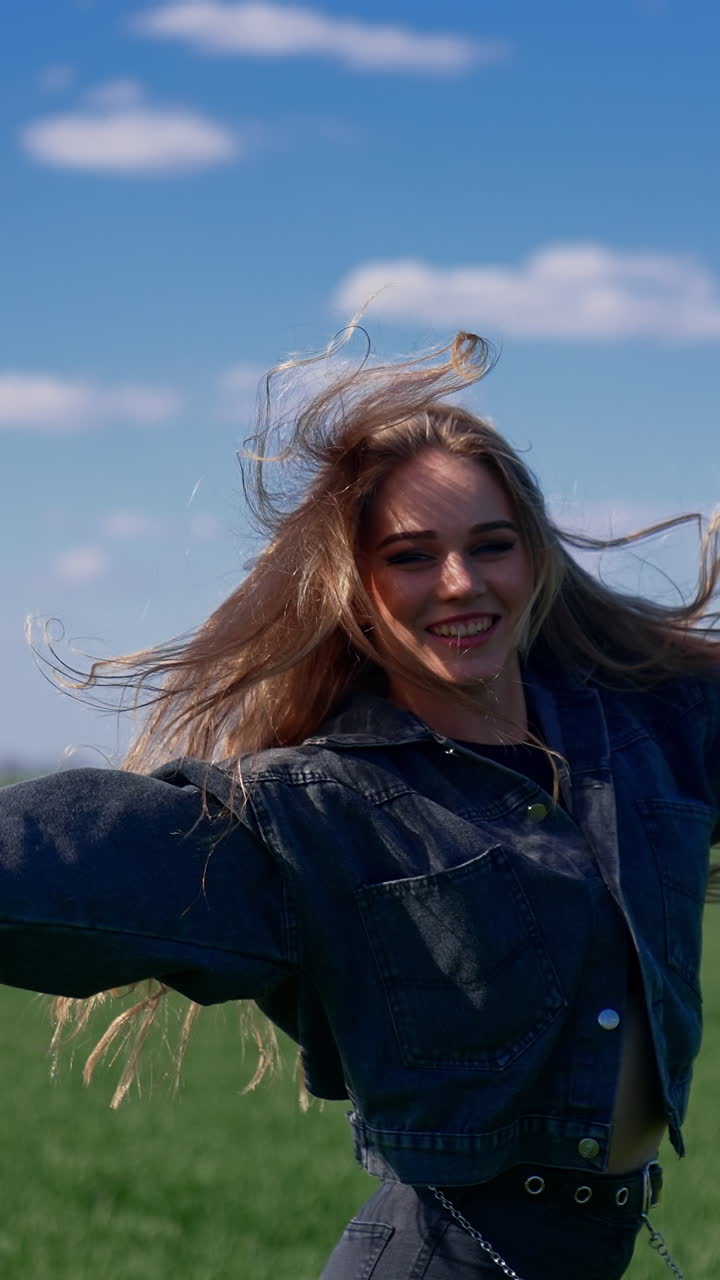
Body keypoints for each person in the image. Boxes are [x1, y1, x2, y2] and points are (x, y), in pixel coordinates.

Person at [1, 330, 719, 1280]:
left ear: (534, 559)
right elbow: (82, 860)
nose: (462, 582)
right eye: (412, 557)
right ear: (358, 590)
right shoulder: (321, 809)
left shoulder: (643, 727)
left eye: (490, 546)